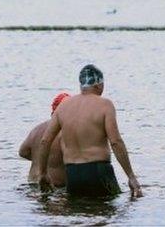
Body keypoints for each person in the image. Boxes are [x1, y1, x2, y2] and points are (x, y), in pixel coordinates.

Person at [35, 64, 143, 198]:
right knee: (108, 214)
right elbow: (115, 142)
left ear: (81, 85)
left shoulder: (63, 107)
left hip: (73, 175)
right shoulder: (105, 105)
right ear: (99, 85)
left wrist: (43, 174)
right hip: (98, 171)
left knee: (78, 216)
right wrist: (131, 176)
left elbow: (45, 141)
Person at [19, 92, 70, 187]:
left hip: (33, 182)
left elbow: (23, 152)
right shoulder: (65, 131)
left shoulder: (37, 129)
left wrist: (40, 159)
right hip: (54, 185)